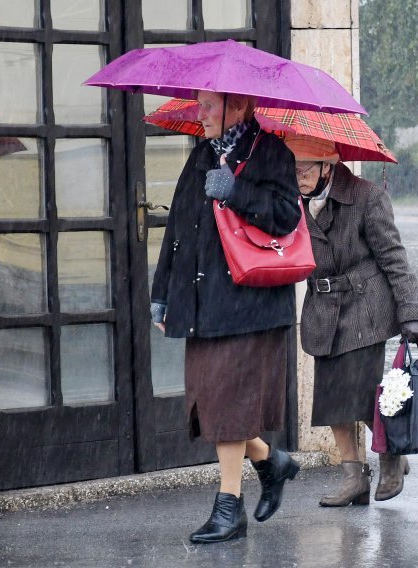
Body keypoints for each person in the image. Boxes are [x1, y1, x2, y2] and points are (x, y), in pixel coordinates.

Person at [150, 91, 303, 543]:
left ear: (239, 107)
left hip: (249, 304)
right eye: (200, 104)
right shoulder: (201, 154)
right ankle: (270, 462)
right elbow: (177, 228)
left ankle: (228, 507)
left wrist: (237, 192)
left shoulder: (271, 150)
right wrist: (162, 294)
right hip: (203, 301)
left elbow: (286, 217)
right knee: (212, 401)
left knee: (228, 402)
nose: (201, 112)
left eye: (209, 105)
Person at [284, 134, 418, 506]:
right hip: (322, 311)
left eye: (304, 168)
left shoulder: (367, 197)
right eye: (293, 167)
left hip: (365, 308)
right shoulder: (292, 202)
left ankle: (391, 455)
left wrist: (412, 316)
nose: (296, 175)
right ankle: (354, 477)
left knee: (365, 396)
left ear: (327, 167)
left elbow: (395, 258)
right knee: (332, 399)